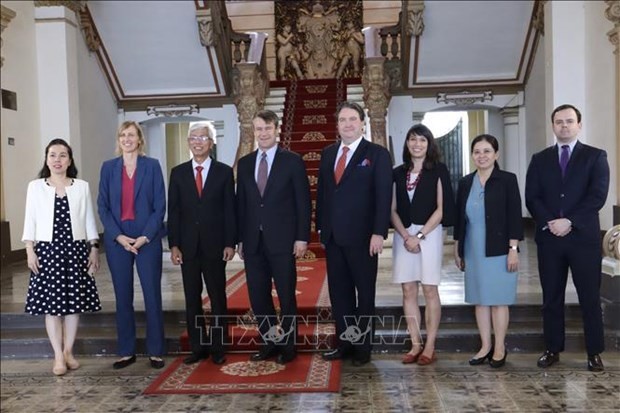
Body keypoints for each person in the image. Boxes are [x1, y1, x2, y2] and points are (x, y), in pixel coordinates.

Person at [525, 104, 609, 372]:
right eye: (559, 121)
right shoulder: (540, 159)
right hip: (550, 239)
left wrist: (569, 221)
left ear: (579, 125)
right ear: (553, 126)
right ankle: (552, 349)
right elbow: (532, 197)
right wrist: (552, 222)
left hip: (583, 239)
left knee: (589, 297)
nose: (564, 125)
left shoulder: (595, 157)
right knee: (551, 298)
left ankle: (594, 352)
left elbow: (597, 196)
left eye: (569, 121)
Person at [316, 101, 392, 366]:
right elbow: (324, 194)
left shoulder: (377, 154)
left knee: (364, 293)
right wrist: (321, 228)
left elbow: (384, 196)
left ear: (362, 123)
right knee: (340, 294)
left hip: (363, 238)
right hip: (334, 237)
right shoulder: (328, 153)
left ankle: (363, 347)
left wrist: (379, 232)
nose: (347, 124)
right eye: (342, 120)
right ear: (337, 125)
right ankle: (344, 343)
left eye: (352, 119)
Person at [236, 110, 311, 365]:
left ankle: (289, 346)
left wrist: (302, 237)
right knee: (259, 297)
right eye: (258, 129)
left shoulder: (292, 161)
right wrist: (241, 239)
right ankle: (268, 343)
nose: (263, 133)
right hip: (252, 242)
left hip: (283, 241)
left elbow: (303, 203)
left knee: (287, 296)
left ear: (276, 129)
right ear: (253, 131)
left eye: (267, 128)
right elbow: (242, 204)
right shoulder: (245, 163)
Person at [22, 138, 102, 376]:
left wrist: (94, 248)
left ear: (70, 160)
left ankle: (69, 351)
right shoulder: (35, 187)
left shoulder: (81, 186)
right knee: (52, 307)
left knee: (73, 305)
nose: (57, 160)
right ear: (46, 159)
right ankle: (57, 355)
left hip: (75, 250)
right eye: (53, 155)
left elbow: (89, 219)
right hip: (46, 252)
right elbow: (30, 219)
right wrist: (29, 249)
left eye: (63, 155)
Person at [97, 121, 167, 370]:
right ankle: (126, 351)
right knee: (122, 297)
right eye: (123, 135)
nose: (127, 139)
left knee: (152, 295)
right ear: (119, 139)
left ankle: (156, 351)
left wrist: (146, 236)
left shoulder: (152, 166)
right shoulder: (108, 168)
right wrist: (117, 236)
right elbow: (102, 207)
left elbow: (160, 206)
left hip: (147, 240)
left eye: (132, 135)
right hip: (118, 241)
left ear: (140, 139)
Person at [168, 121, 236, 366]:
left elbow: (230, 210)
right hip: (187, 247)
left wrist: (231, 242)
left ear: (211, 143)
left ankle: (218, 347)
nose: (198, 142)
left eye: (203, 138)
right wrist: (174, 244)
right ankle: (198, 347)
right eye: (194, 138)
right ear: (189, 143)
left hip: (216, 245)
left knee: (218, 297)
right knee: (191, 299)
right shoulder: (177, 173)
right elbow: (173, 211)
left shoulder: (224, 172)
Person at [454, 134, 523, 368]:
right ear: (472, 155)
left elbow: (515, 215)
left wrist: (514, 248)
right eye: (477, 152)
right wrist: (458, 248)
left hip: (500, 248)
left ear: (496, 154)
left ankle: (500, 346)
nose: (481, 156)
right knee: (480, 300)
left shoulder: (507, 180)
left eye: (486, 151)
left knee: (498, 299)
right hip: (473, 247)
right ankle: (485, 346)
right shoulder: (465, 182)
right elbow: (459, 219)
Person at [391, 125, 455, 366]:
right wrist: (406, 235)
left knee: (429, 290)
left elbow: (442, 208)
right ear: (407, 143)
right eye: (412, 139)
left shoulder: (438, 170)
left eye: (422, 140)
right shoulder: (398, 172)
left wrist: (419, 235)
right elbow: (392, 209)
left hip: (429, 234)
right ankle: (415, 343)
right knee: (408, 290)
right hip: (403, 234)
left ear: (429, 144)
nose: (416, 144)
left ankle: (430, 346)